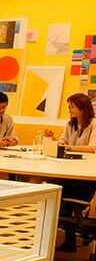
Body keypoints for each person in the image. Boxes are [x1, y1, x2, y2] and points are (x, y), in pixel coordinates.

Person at [44, 93, 96, 251]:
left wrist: (68, 147)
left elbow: (93, 148)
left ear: (83, 108)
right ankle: (61, 236)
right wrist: (54, 140)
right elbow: (62, 142)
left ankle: (67, 238)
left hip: (84, 177)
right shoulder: (70, 124)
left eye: (72, 106)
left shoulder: (93, 124)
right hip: (69, 172)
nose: (69, 109)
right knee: (51, 185)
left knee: (58, 190)